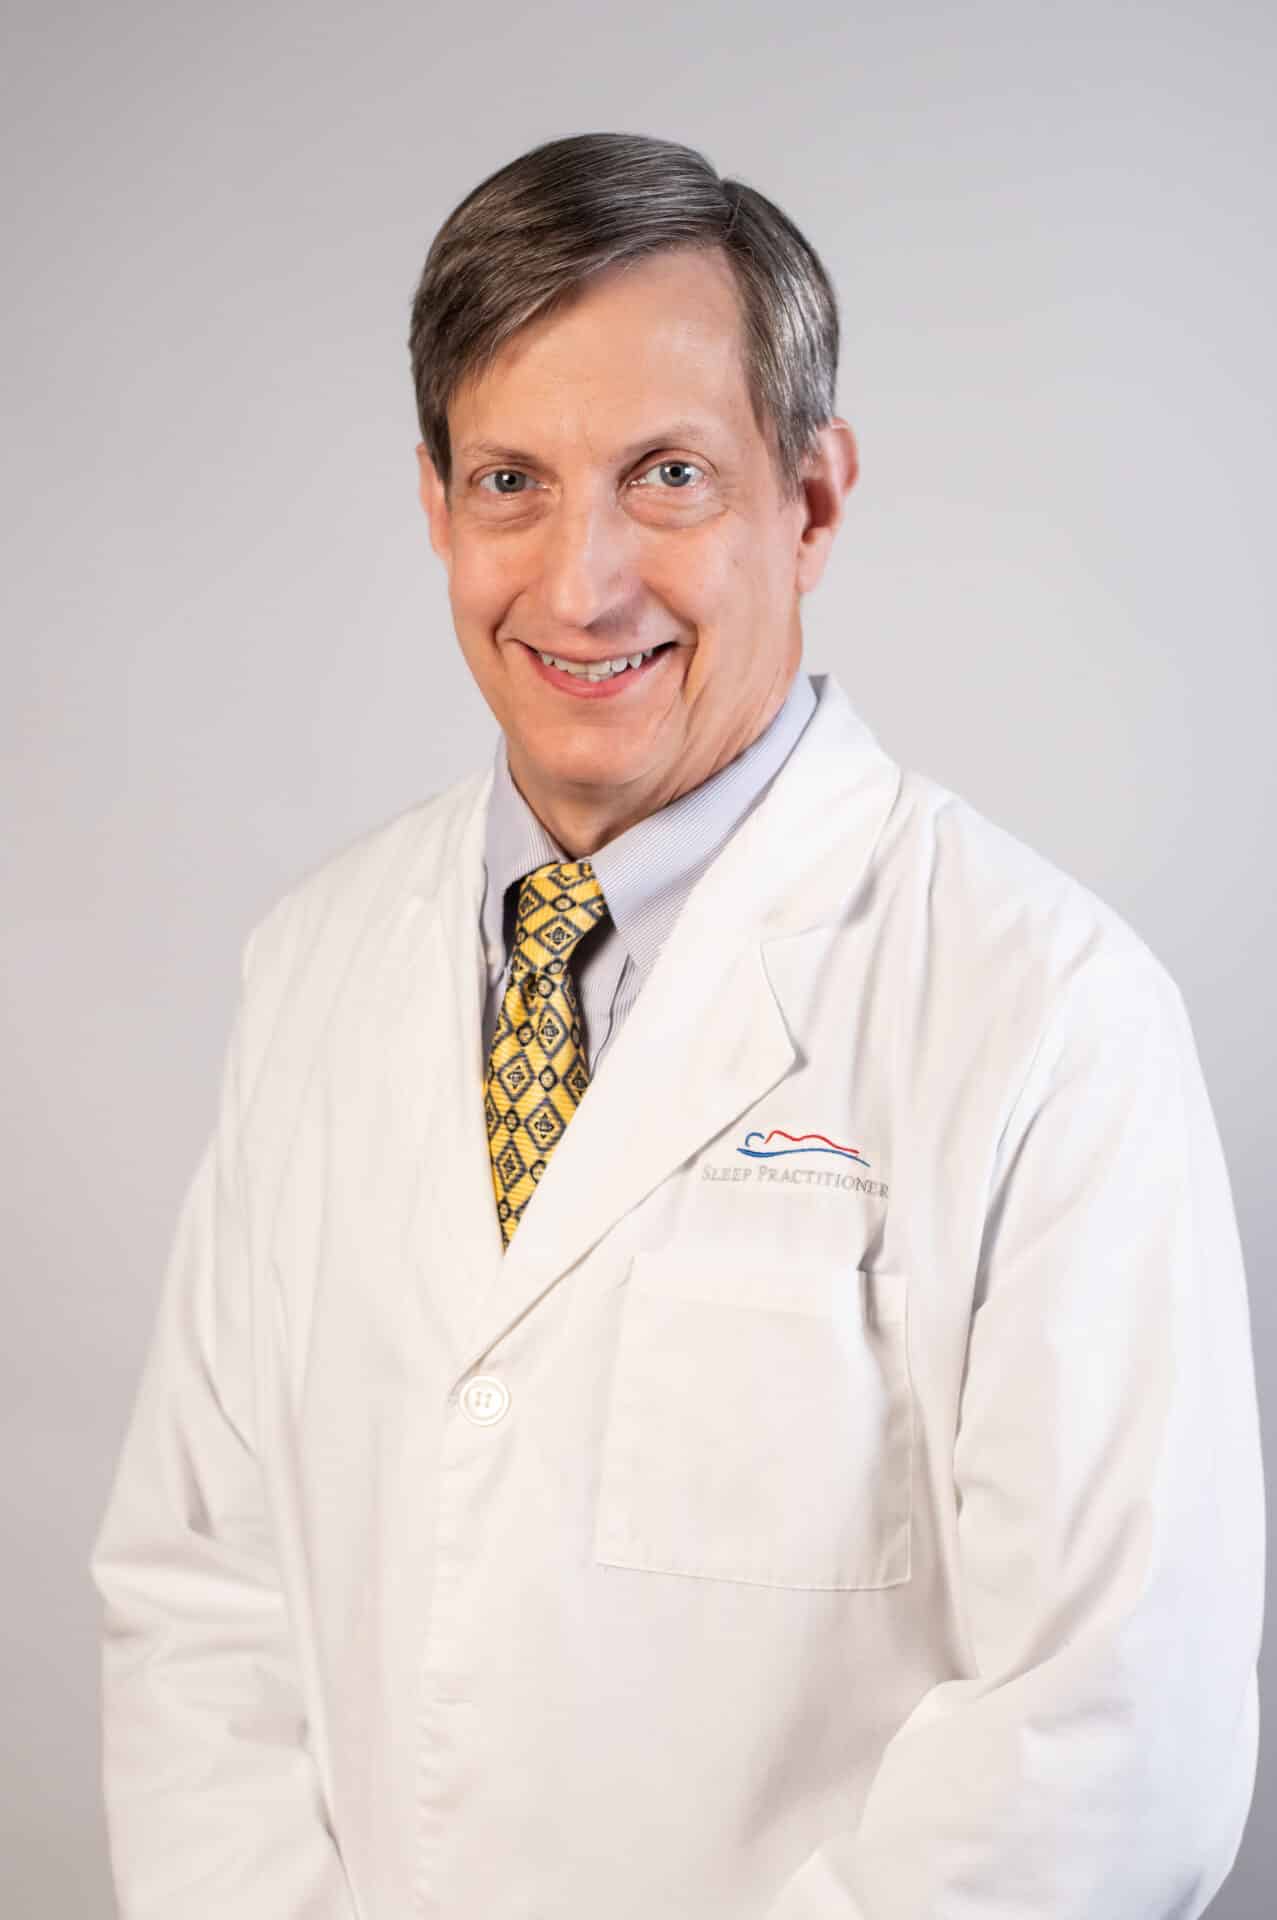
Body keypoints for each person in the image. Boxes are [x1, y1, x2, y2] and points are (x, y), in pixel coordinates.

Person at [89, 131, 1264, 1920]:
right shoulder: (313, 965)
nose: (579, 587)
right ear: (429, 500)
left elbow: (1112, 1734)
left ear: (809, 497)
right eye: (509, 480)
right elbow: (202, 1592)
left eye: (666, 475)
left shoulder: (1041, 1007)